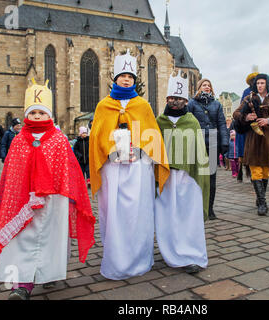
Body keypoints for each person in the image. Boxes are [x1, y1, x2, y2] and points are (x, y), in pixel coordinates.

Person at [0, 79, 95, 299]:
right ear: (26, 115)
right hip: (25, 200)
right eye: (33, 113)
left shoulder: (58, 139)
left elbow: (68, 167)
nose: (37, 117)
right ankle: (22, 283)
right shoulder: (20, 140)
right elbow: (13, 171)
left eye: (41, 112)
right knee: (24, 238)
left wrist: (65, 192)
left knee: (51, 238)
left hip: (53, 199)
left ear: (49, 115)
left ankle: (49, 274)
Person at [89, 49, 170, 280]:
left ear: (135, 80)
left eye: (130, 77)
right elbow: (97, 136)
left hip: (138, 167)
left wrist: (140, 147)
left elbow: (152, 133)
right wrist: (112, 148)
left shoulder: (142, 105)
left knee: (138, 210)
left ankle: (139, 257)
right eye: (123, 76)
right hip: (112, 168)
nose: (126, 79)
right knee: (113, 211)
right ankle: (116, 255)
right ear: (115, 78)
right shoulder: (104, 105)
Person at [155, 70, 209, 274]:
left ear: (186, 101)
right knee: (168, 215)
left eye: (179, 98)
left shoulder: (192, 122)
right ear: (167, 99)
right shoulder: (158, 122)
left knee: (188, 215)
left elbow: (200, 153)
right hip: (166, 178)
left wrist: (199, 176)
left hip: (188, 178)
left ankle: (191, 253)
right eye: (172, 98)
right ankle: (171, 252)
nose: (175, 101)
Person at [233, 74, 269, 216]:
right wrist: (246, 117)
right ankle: (262, 203)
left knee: (266, 171)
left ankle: (259, 197)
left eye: (262, 83)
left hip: (268, 139)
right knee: (255, 170)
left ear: (267, 84)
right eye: (258, 83)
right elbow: (236, 113)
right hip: (253, 138)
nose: (260, 85)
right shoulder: (249, 98)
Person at [188, 79, 228, 220]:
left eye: (209, 85)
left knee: (211, 176)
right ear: (199, 87)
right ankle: (197, 206)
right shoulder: (192, 103)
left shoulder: (216, 104)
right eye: (204, 85)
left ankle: (209, 208)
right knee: (197, 175)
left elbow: (222, 123)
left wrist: (224, 141)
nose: (207, 87)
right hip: (197, 142)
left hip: (212, 141)